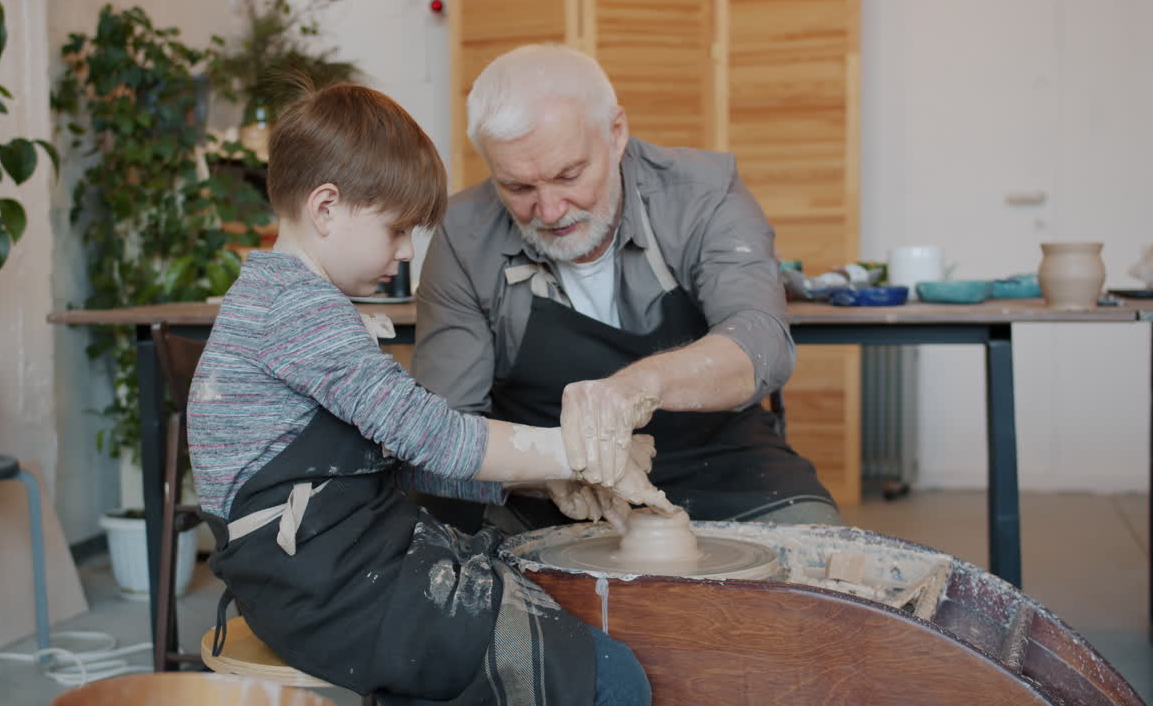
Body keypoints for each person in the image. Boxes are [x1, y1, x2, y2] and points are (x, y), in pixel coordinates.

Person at [187, 82, 664, 706]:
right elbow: (436, 436)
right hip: (319, 591)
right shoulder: (297, 311)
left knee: (522, 581)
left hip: (339, 561)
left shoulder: (289, 299)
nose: (407, 251)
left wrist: (536, 483)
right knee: (613, 681)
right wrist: (587, 451)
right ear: (326, 207)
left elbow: (397, 458)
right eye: (396, 230)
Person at [412, 44, 844, 533]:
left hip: (722, 461)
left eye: (569, 175)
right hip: (546, 477)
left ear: (616, 134)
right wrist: (551, 467)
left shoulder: (703, 195)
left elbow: (762, 340)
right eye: (518, 188)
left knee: (823, 577)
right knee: (448, 562)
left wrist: (641, 386)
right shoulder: (464, 234)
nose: (550, 211)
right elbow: (445, 427)